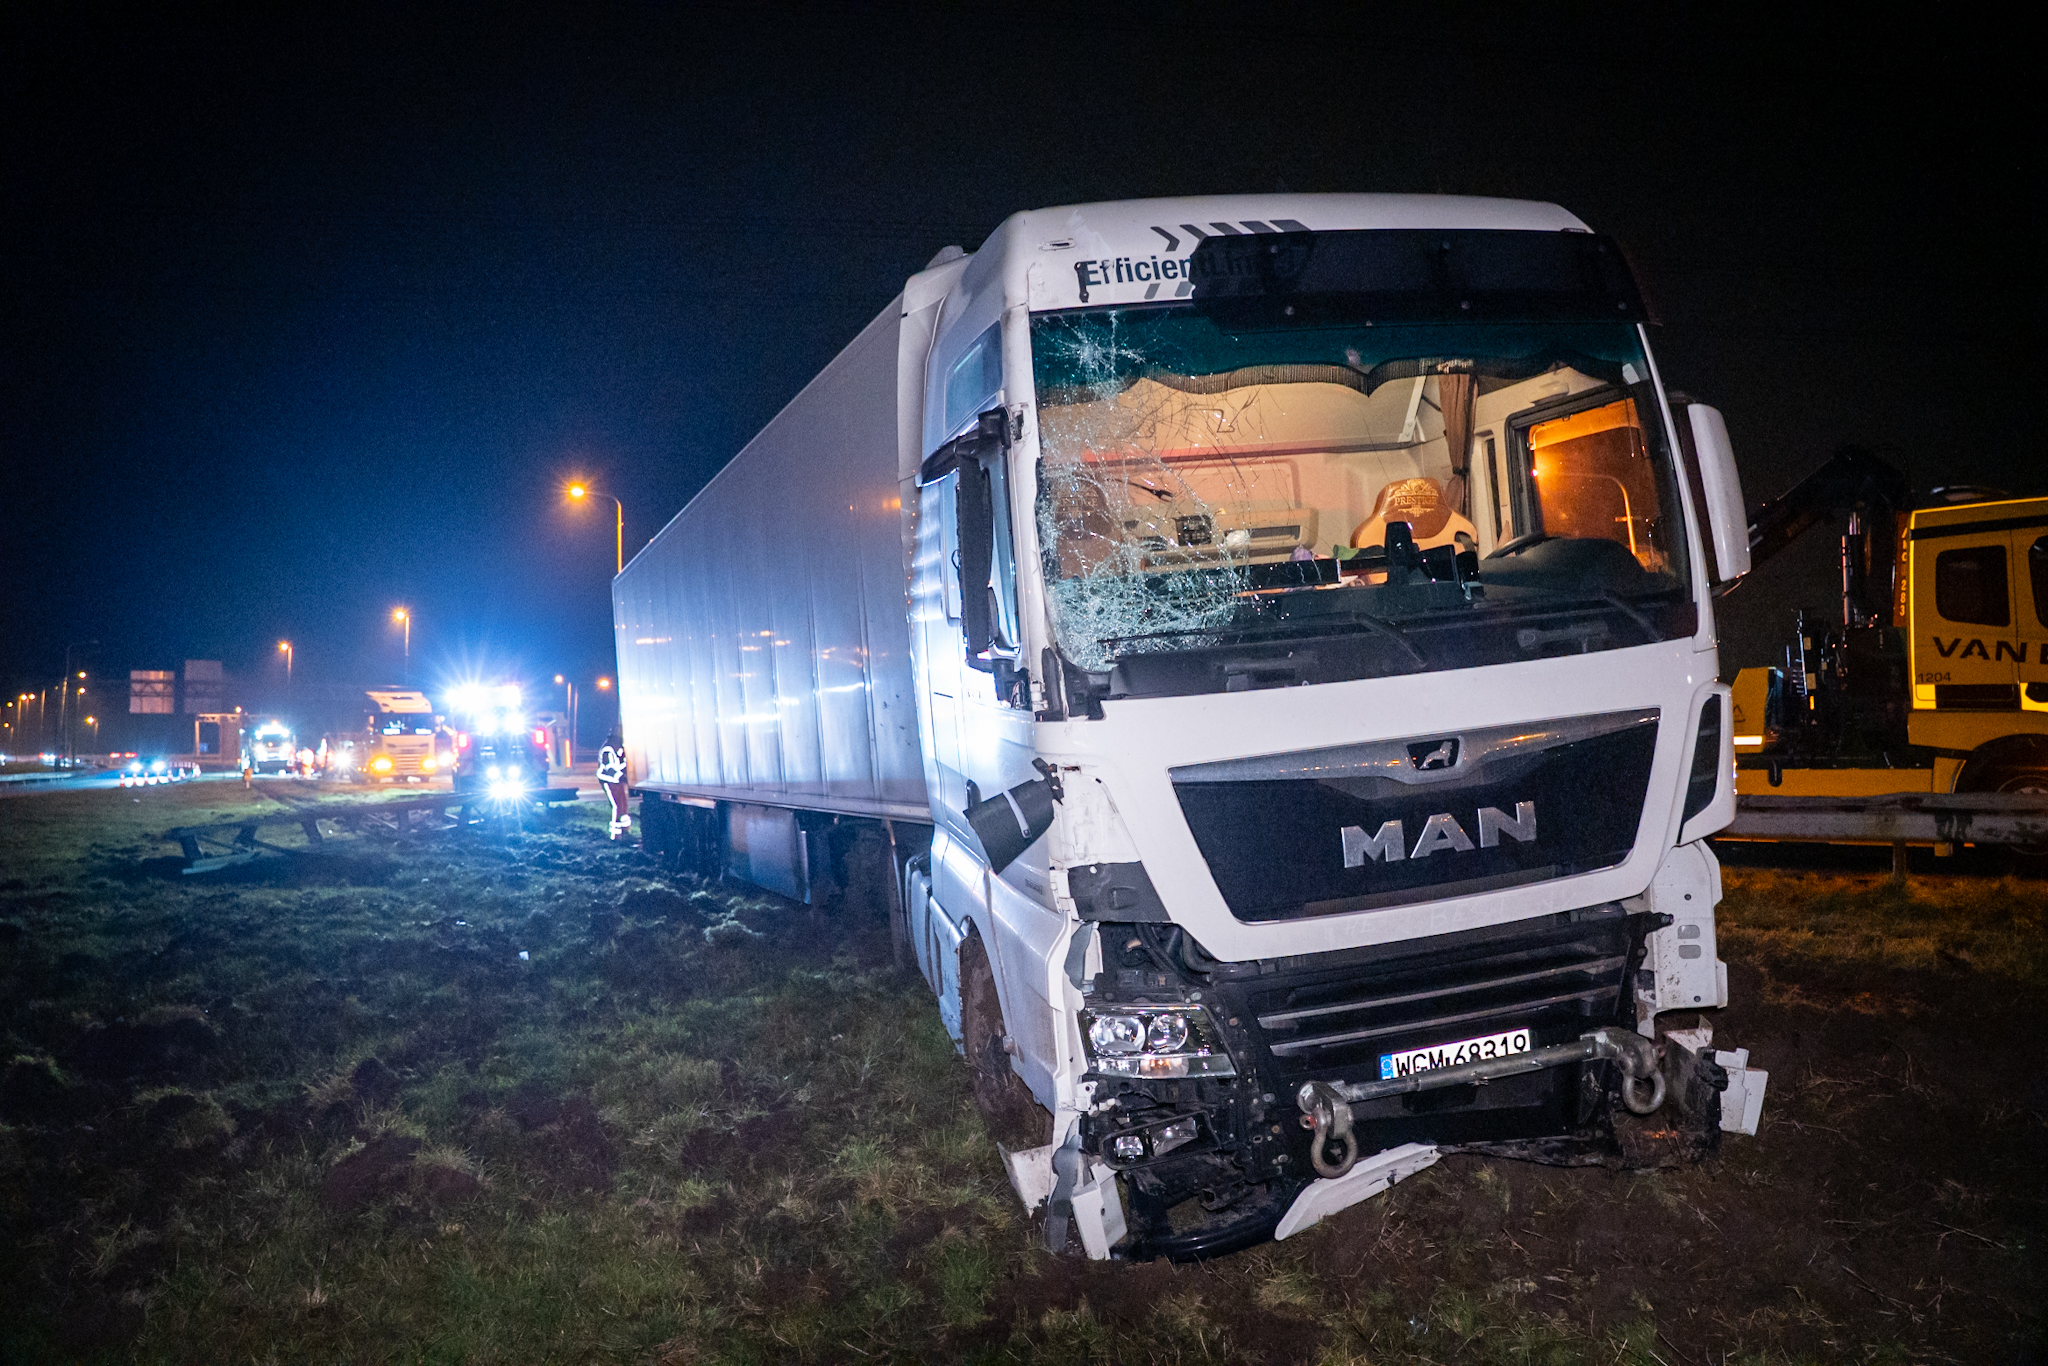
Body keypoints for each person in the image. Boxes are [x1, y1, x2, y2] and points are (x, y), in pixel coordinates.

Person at [597, 728, 630, 840]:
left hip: (617, 781)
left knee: (623, 806)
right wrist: (624, 764)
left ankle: (625, 832)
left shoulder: (616, 749)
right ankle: (615, 836)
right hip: (609, 781)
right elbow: (611, 770)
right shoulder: (608, 750)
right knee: (617, 806)